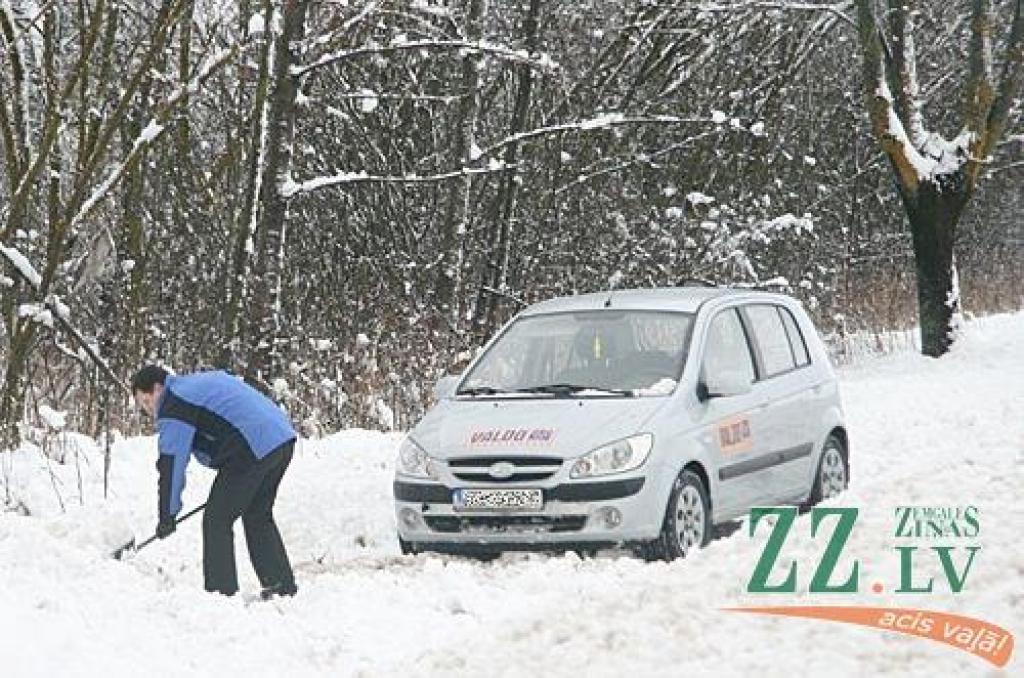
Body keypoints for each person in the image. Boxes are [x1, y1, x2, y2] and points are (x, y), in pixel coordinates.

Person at [131, 364, 298, 598]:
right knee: (257, 514)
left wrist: (167, 515)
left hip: (252, 447)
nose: (150, 411)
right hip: (280, 438)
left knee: (217, 519)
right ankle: (281, 586)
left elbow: (172, 462)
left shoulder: (173, 402)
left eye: (147, 402)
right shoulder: (195, 385)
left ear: (158, 388)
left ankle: (221, 596)